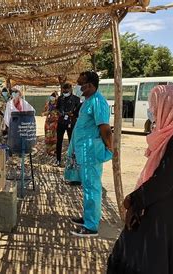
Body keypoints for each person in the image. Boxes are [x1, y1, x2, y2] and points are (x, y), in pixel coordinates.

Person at [107, 85, 173, 273]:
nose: (152, 110)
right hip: (158, 205)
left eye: (155, 106)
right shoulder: (169, 135)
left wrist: (135, 199)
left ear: (168, 106)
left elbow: (164, 180)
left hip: (167, 209)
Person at [65, 71, 113, 237]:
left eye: (81, 84)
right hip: (84, 152)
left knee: (92, 187)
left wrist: (111, 148)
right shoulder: (88, 101)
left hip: (91, 152)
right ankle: (87, 217)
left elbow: (105, 128)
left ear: (91, 85)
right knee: (87, 187)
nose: (78, 87)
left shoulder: (98, 102)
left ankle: (91, 226)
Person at [55, 83, 81, 166]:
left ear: (71, 90)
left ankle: (72, 160)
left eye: (67, 91)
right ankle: (58, 159)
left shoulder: (76, 99)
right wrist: (59, 112)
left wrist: (72, 114)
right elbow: (57, 108)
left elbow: (78, 112)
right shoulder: (60, 98)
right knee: (59, 141)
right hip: (61, 122)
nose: (65, 92)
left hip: (71, 122)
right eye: (64, 90)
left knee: (71, 142)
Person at [42, 92, 59, 156]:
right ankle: (48, 151)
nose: (52, 98)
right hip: (47, 123)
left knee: (54, 136)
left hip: (55, 122)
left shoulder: (58, 104)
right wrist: (46, 113)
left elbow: (59, 113)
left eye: (54, 97)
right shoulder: (47, 104)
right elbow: (43, 112)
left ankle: (54, 150)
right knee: (47, 136)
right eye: (51, 96)